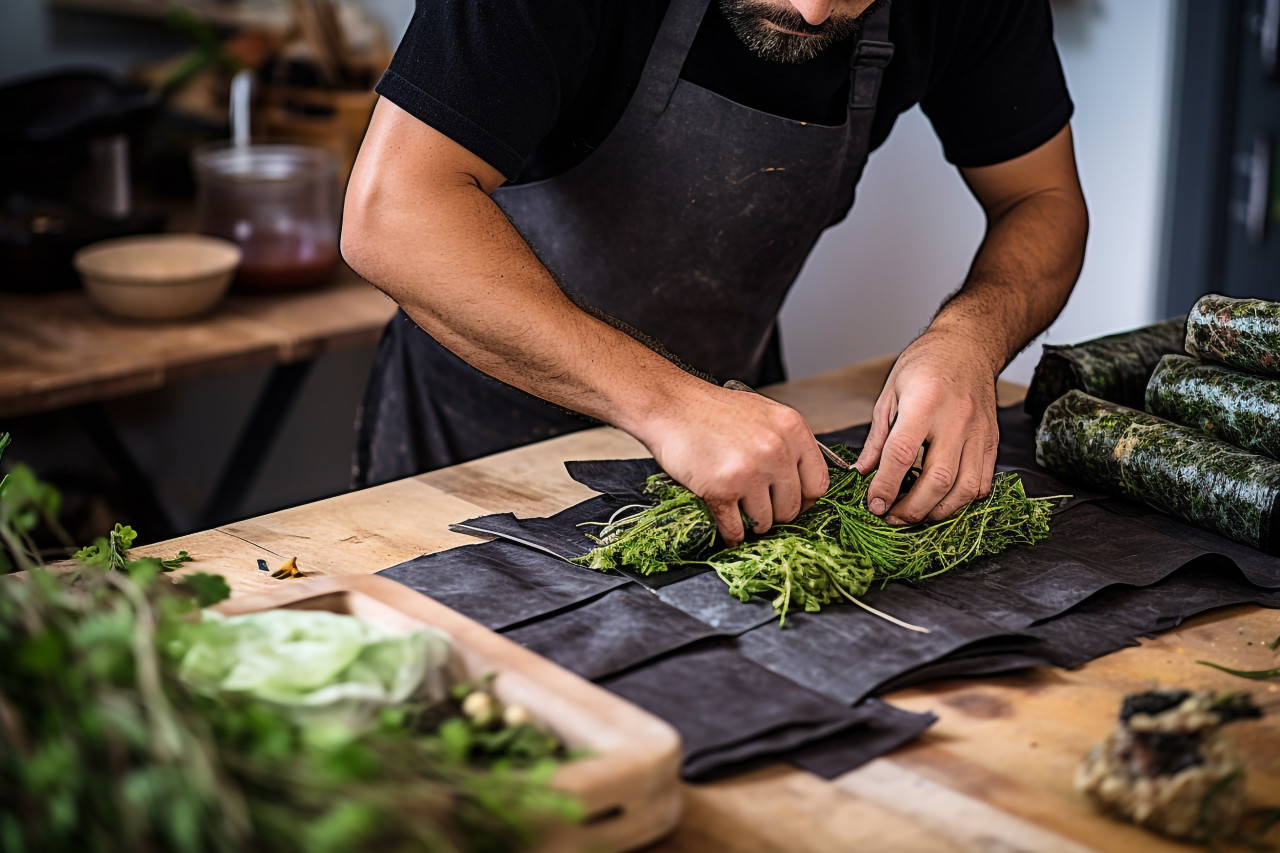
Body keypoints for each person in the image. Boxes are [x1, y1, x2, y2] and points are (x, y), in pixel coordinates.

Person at [341, 0, 1088, 545]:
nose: (813, 9)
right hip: (472, 441)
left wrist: (969, 341)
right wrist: (669, 407)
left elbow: (1042, 197)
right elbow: (392, 212)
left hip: (741, 444)